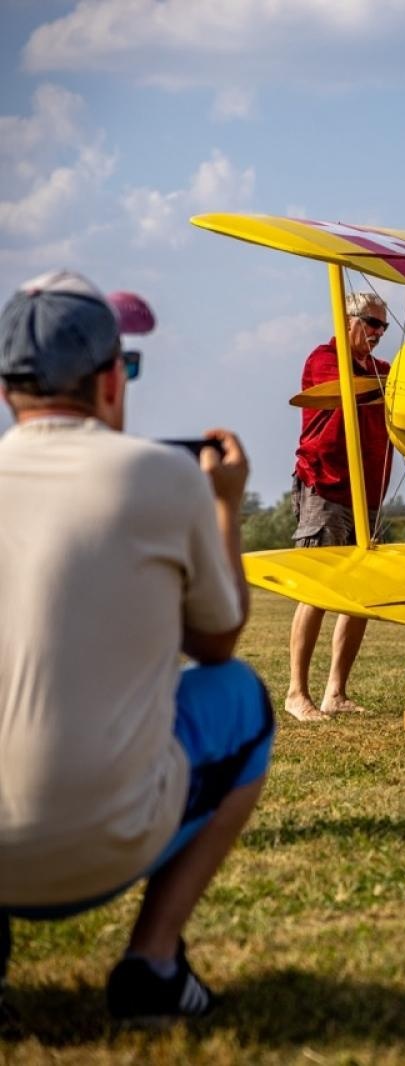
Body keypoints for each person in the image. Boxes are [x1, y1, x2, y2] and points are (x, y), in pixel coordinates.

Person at [0, 271, 272, 1024]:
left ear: (7, 391)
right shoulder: (159, 475)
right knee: (243, 697)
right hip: (111, 841)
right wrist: (224, 504)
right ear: (112, 380)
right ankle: (152, 961)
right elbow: (218, 643)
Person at [282, 292, 393, 722]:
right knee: (318, 588)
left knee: (359, 593)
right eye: (370, 323)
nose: (378, 334)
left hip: (366, 493)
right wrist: (389, 387)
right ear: (347, 320)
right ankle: (296, 693)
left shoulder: (380, 371)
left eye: (383, 326)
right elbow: (355, 393)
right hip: (325, 485)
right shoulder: (324, 360)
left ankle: (336, 692)